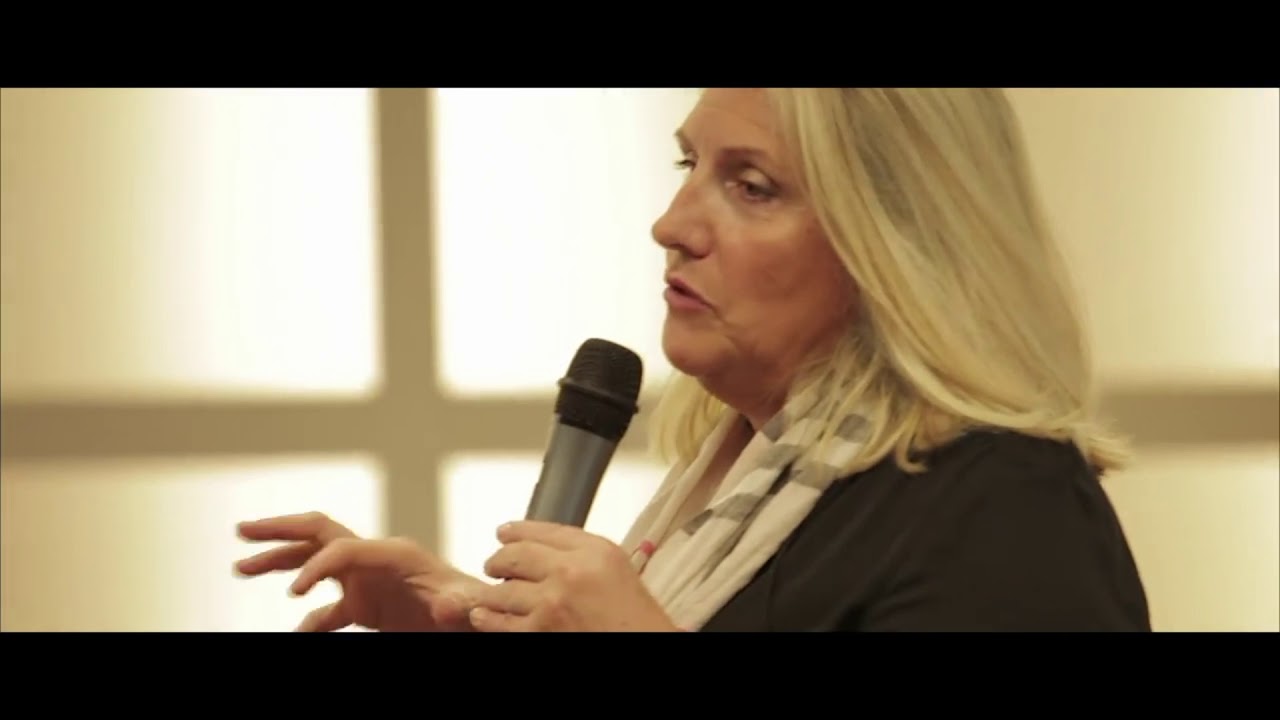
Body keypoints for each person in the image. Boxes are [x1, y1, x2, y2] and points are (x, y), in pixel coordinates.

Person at [235, 88, 1152, 632]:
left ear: (893, 242)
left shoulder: (1008, 503)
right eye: (690, 167)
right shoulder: (743, 470)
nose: (671, 226)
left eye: (751, 186)